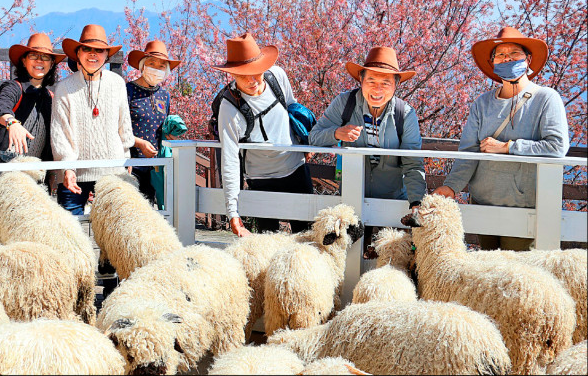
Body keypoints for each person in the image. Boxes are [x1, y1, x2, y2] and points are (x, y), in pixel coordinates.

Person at [433, 27, 569, 251]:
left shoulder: (546, 98)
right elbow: (468, 152)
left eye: (514, 53)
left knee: (517, 275)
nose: (507, 59)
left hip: (523, 206)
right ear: (493, 63)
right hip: (482, 202)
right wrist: (451, 187)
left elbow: (557, 146)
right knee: (488, 272)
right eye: (501, 55)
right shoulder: (482, 103)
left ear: (528, 59)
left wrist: (507, 147)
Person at [211, 33, 314, 237]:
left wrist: (305, 143)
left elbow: (293, 109)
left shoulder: (277, 76)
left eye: (256, 72)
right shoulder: (229, 108)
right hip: (261, 178)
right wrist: (233, 213)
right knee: (267, 241)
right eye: (243, 75)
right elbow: (230, 159)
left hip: (296, 169)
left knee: (306, 239)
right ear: (232, 75)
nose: (252, 81)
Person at [309, 46, 425, 210]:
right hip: (351, 199)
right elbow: (314, 137)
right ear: (361, 81)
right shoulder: (345, 103)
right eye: (371, 81)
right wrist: (336, 134)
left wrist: (416, 202)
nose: (378, 89)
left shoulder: (405, 114)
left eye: (386, 83)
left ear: (395, 86)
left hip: (393, 200)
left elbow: (413, 163)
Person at [51, 24, 135, 215]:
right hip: (74, 173)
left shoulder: (117, 84)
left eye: (99, 50)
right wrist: (67, 167)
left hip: (112, 171)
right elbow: (60, 133)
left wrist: (126, 156)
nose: (93, 54)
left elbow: (124, 124)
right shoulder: (65, 88)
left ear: (106, 55)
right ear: (78, 53)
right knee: (71, 232)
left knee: (116, 232)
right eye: (87, 49)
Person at [0, 33, 65, 189]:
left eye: (45, 57)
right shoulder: (14, 87)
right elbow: (0, 106)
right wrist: (11, 123)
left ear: (52, 64)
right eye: (34, 56)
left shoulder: (49, 97)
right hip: (2, 172)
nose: (40, 61)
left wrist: (52, 173)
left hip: (34, 177)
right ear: (24, 61)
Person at [126, 40, 182, 206]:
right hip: (131, 163)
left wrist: (170, 133)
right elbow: (118, 127)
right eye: (152, 64)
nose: (156, 69)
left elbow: (163, 125)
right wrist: (138, 143)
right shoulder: (127, 91)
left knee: (152, 211)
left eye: (161, 66)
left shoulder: (164, 95)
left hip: (156, 166)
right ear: (142, 65)